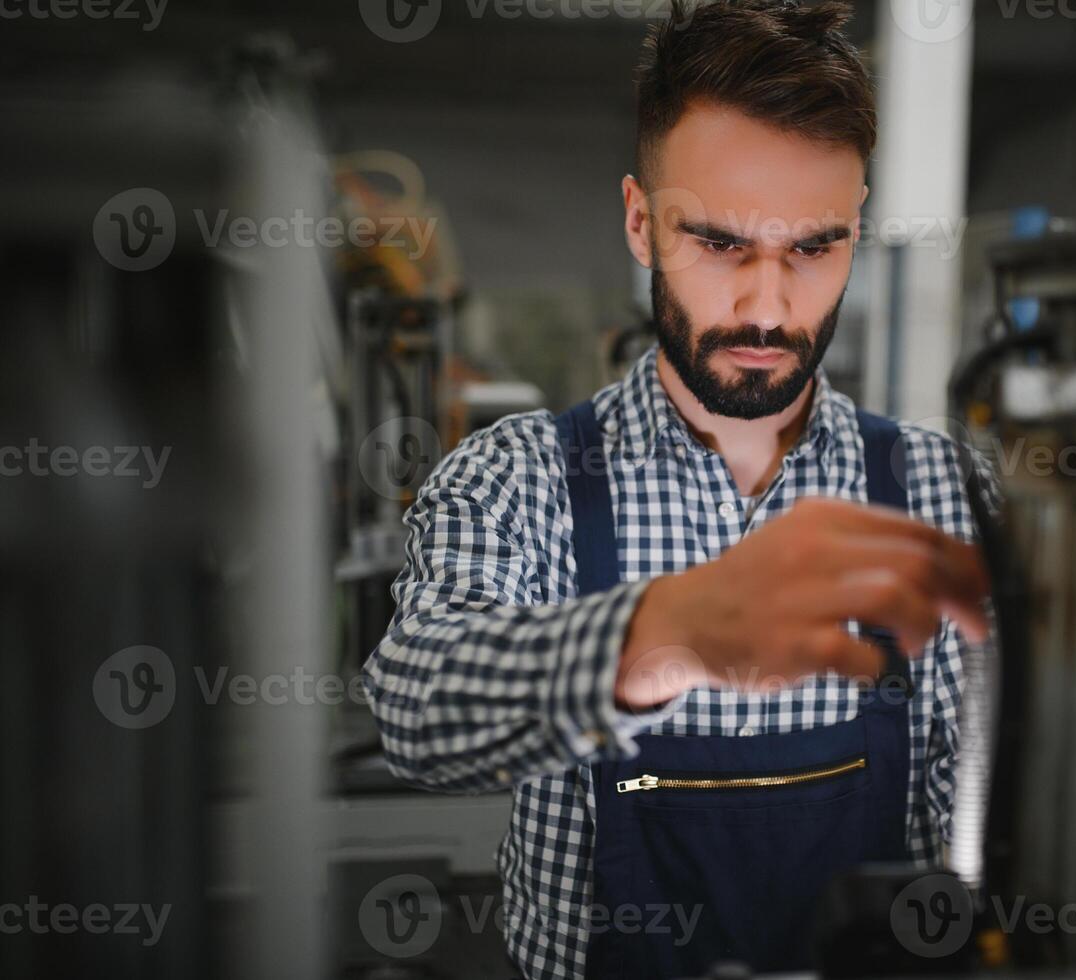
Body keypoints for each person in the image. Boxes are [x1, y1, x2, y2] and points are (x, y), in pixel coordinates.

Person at [364, 2, 995, 977]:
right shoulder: (517, 480)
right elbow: (414, 711)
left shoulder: (944, 494)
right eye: (721, 243)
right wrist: (664, 631)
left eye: (813, 248)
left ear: (857, 231)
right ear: (640, 221)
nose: (767, 305)